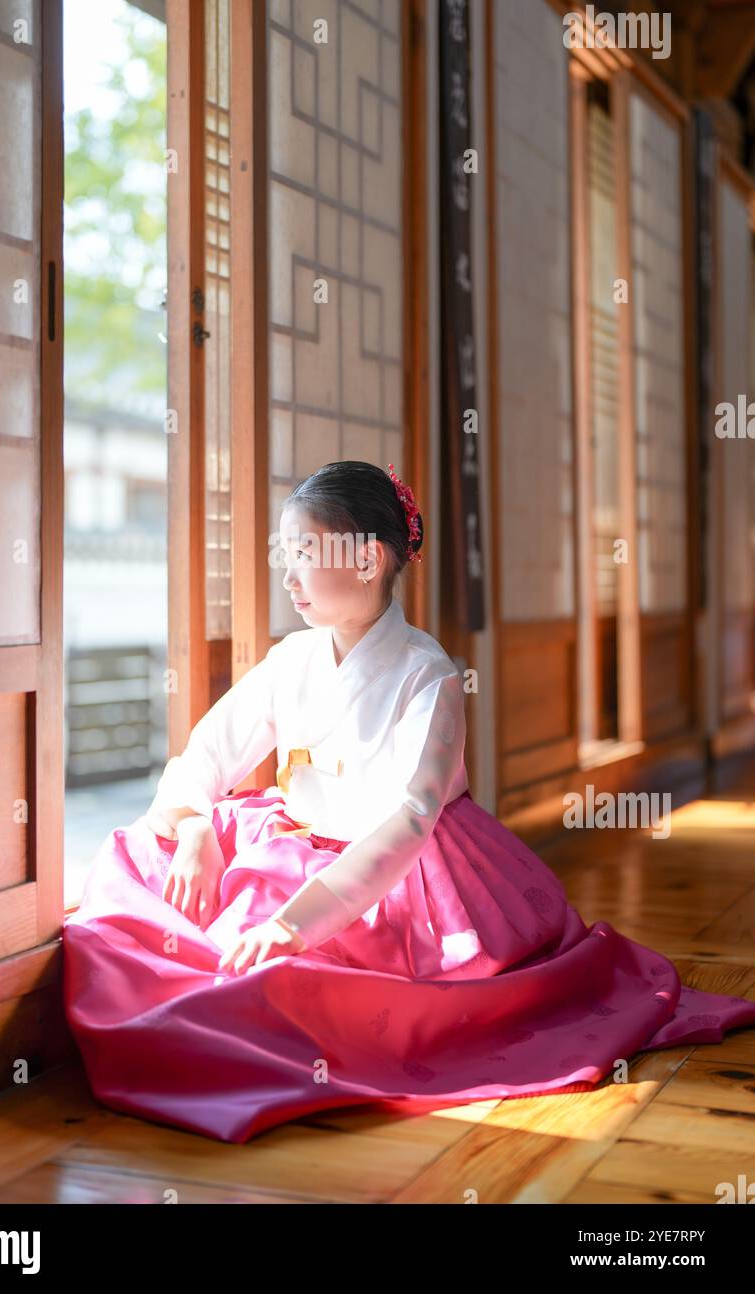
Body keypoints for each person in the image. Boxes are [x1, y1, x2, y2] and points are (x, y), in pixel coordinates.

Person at [63, 460, 755, 1145]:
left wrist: (296, 924)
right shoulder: (289, 662)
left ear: (367, 560)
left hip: (399, 878)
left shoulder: (430, 676)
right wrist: (193, 831)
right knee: (135, 875)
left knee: (275, 984)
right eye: (287, 555)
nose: (289, 575)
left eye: (305, 553)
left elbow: (408, 822)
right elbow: (207, 755)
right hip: (289, 847)